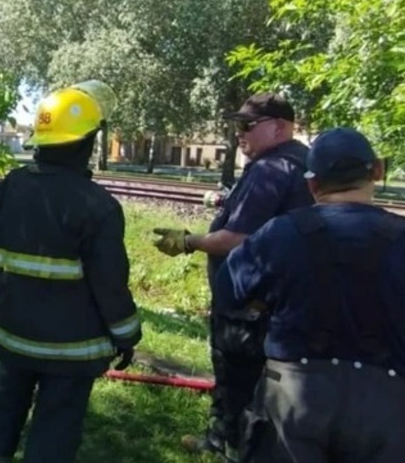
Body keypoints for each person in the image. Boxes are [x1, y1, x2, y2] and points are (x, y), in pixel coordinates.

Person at [0, 80, 142, 463]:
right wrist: (127, 335)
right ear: (87, 143)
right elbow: (110, 286)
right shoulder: (98, 207)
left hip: (13, 337)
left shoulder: (9, 187)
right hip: (71, 350)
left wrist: (4, 306)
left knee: (2, 407)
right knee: (56, 424)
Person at [152, 93, 314, 461]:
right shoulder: (304, 163)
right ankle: (244, 443)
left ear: (279, 127)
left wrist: (188, 241)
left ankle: (229, 446)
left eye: (246, 126)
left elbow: (236, 238)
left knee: (236, 377)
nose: (238, 134)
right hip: (283, 300)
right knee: (268, 385)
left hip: (248, 304)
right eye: (236, 125)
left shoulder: (272, 168)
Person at [226, 128, 405, 462]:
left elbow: (229, 289)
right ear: (378, 171)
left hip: (295, 396)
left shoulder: (281, 233)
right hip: (389, 403)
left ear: (312, 184)